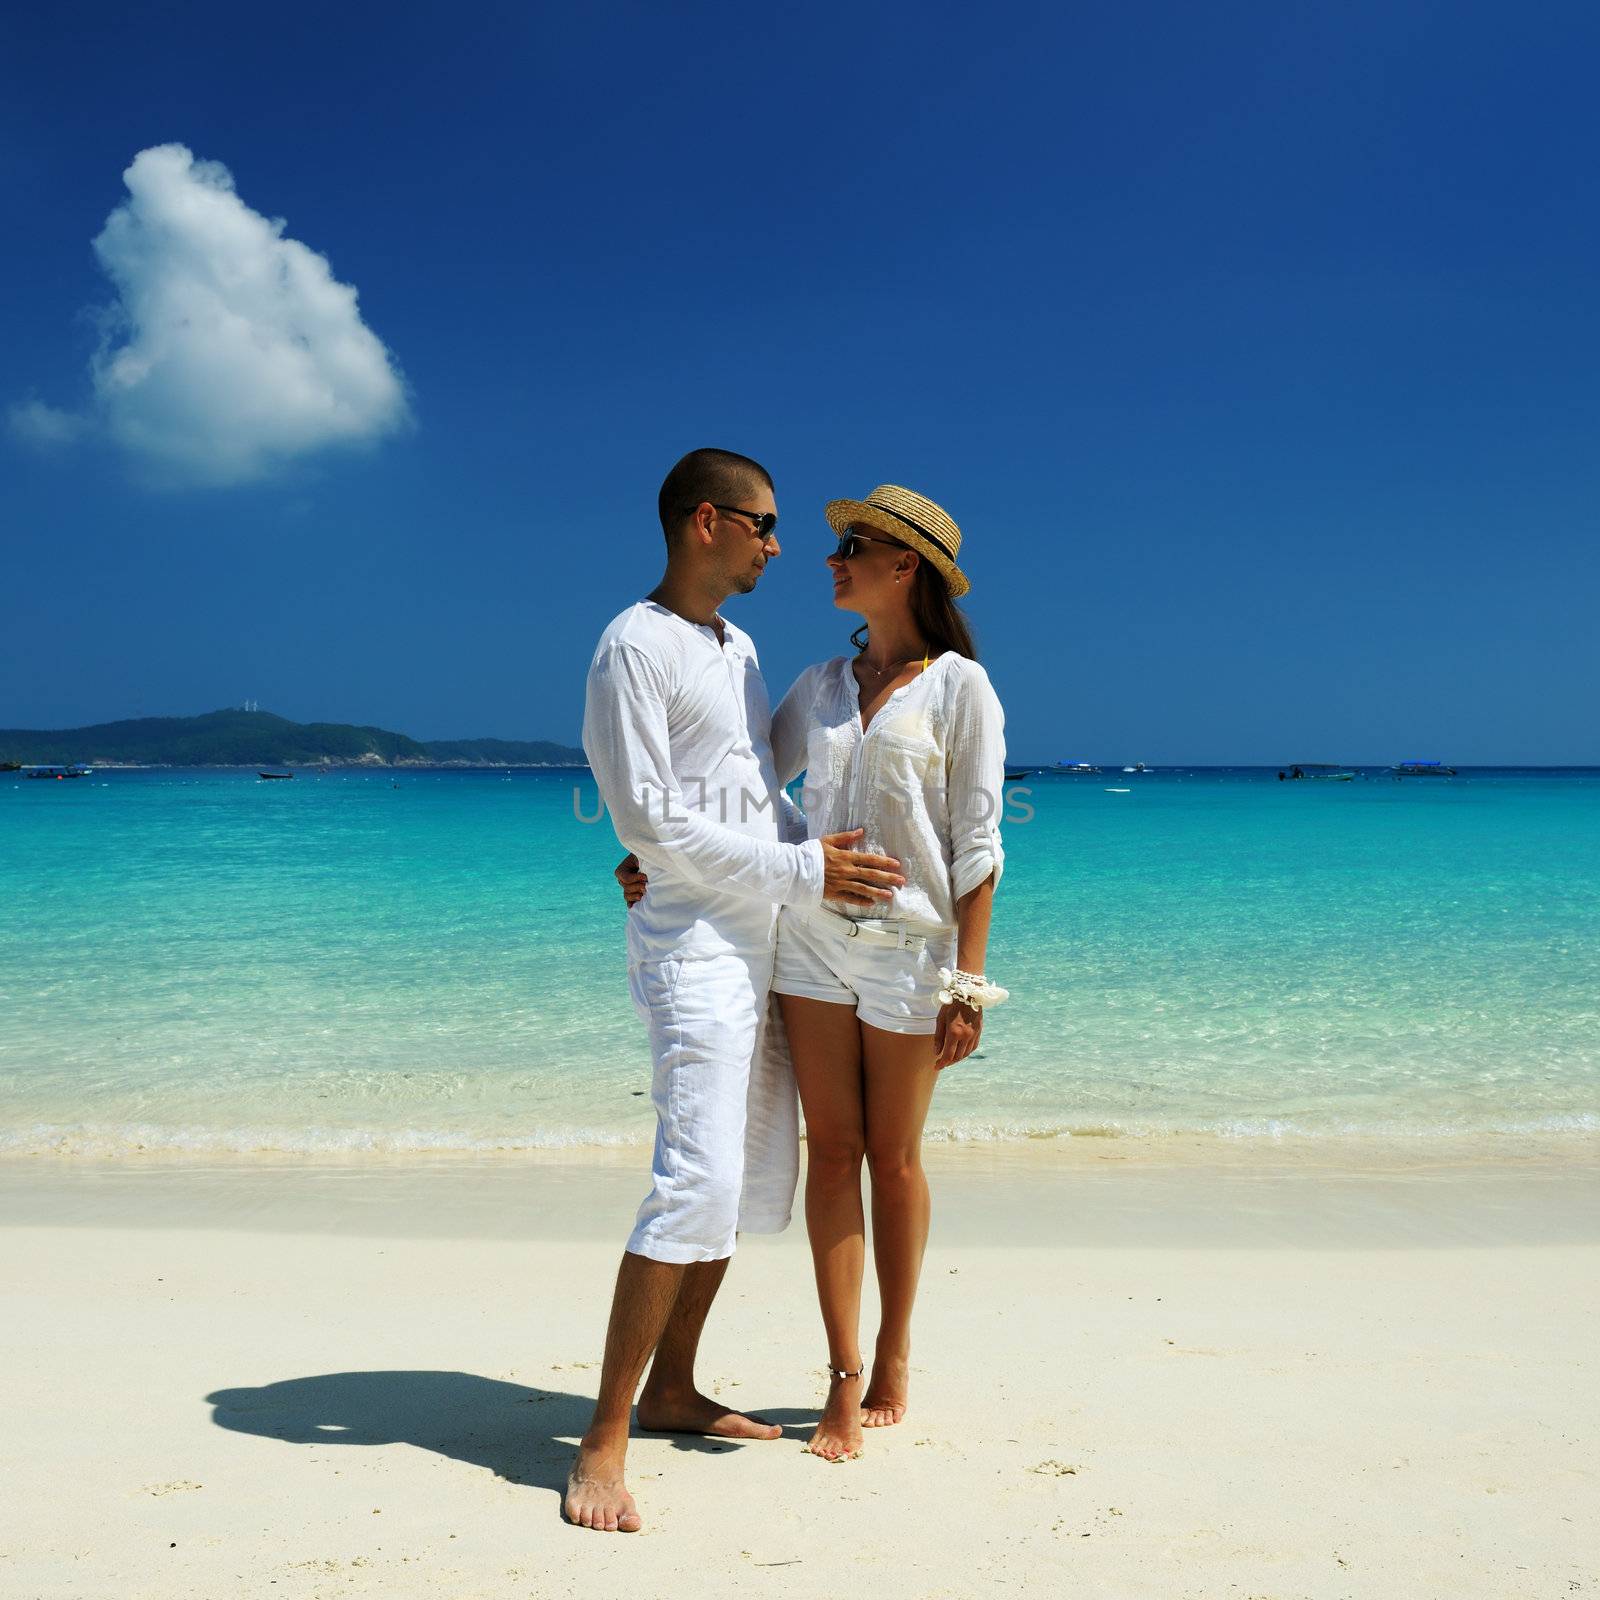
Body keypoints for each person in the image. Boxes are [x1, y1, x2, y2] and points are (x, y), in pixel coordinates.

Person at [620, 484, 1008, 1464]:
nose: (826, 558)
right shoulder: (819, 687)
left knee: (897, 1159)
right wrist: (660, 854)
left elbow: (978, 846)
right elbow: (742, 787)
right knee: (833, 1154)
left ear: (903, 565)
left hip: (913, 956)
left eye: (851, 546)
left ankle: (894, 1352)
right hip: (812, 946)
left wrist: (968, 982)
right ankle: (841, 1374)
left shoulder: (960, 688)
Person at [568, 448, 905, 1533]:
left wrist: (819, 855)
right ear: (704, 522)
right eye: (761, 524)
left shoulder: (739, 646)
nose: (777, 544)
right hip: (693, 954)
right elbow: (650, 821)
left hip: (762, 944)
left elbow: (750, 796)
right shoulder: (634, 646)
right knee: (692, 1180)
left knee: (746, 1182)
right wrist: (804, 869)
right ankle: (603, 1436)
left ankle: (672, 1387)